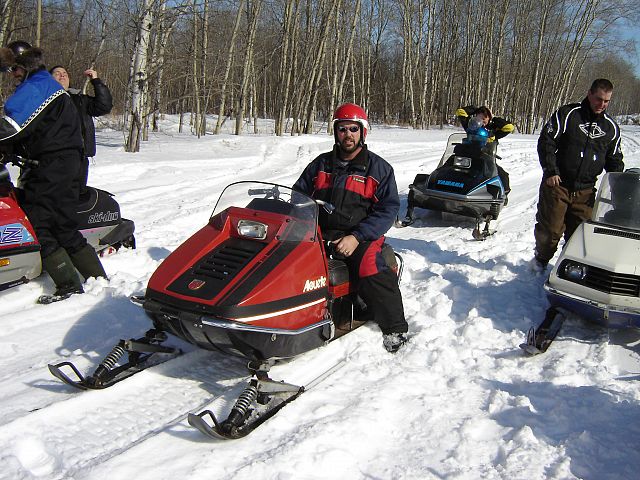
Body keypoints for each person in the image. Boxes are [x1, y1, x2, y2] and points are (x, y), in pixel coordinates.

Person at [293, 103, 408, 353]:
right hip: (320, 232)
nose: (348, 134)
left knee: (369, 266)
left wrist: (356, 237)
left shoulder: (379, 169)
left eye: (353, 129)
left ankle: (394, 327)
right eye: (342, 128)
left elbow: (388, 209)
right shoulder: (320, 165)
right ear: (336, 132)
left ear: (363, 132)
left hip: (361, 235)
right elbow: (298, 195)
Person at [0, 41, 106, 302]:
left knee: (40, 226)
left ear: (23, 67)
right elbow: (34, 130)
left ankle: (69, 285)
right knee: (64, 226)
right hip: (68, 165)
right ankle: (99, 280)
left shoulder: (35, 88)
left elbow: (10, 128)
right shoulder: (49, 86)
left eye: (13, 69)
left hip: (51, 168)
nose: (11, 75)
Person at [532, 78, 624, 272]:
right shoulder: (568, 114)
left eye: (606, 101)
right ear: (589, 94)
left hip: (586, 191)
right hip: (558, 185)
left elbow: (614, 160)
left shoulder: (611, 128)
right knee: (551, 232)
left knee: (580, 238)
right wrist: (550, 170)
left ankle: (568, 271)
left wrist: (621, 190)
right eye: (599, 99)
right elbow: (547, 141)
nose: (602, 104)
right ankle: (540, 261)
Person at [49, 65, 113, 193]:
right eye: (57, 73)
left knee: (76, 197)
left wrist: (96, 82)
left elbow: (104, 106)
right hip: (51, 159)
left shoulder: (80, 100)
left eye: (65, 73)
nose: (62, 75)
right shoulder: (43, 100)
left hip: (78, 158)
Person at [456, 105, 514, 196]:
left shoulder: (493, 129)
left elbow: (509, 127)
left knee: (503, 175)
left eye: (484, 118)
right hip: (467, 156)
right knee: (449, 166)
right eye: (479, 118)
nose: (481, 121)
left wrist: (494, 119)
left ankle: (503, 195)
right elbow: (461, 112)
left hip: (486, 158)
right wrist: (475, 110)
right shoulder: (471, 126)